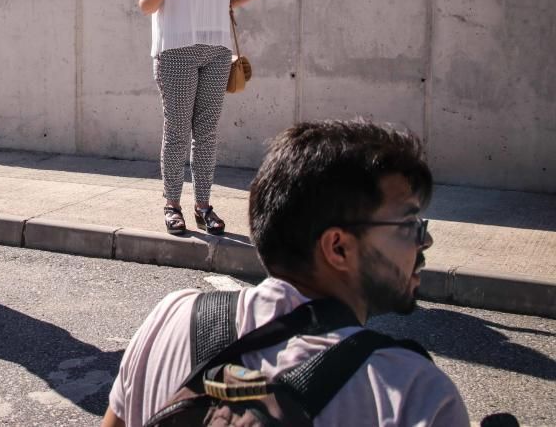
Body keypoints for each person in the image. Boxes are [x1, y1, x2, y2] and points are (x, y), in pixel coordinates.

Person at [102, 119, 470, 427]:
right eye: (410, 225)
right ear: (338, 247)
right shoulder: (411, 394)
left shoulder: (171, 317)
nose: (426, 240)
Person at [139, 0, 289, 236]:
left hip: (217, 50)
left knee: (206, 133)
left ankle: (203, 205)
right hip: (176, 50)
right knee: (177, 131)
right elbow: (146, 6)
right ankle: (172, 204)